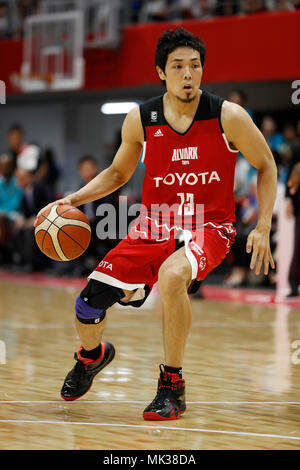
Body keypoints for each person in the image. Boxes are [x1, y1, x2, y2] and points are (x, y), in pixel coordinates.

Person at [35, 28, 277, 421]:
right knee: (88, 303)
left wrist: (263, 225)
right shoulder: (141, 119)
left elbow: (266, 165)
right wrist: (72, 200)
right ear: (161, 72)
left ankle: (172, 386)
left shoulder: (227, 116)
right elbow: (116, 173)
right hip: (154, 226)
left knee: (171, 275)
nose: (188, 74)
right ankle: (92, 357)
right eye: (178, 66)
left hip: (209, 226)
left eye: (195, 66)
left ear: (202, 71)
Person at [285, 143, 300, 297]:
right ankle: (294, 284)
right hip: (299, 205)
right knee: (298, 245)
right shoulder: (297, 148)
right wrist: (289, 200)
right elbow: (290, 179)